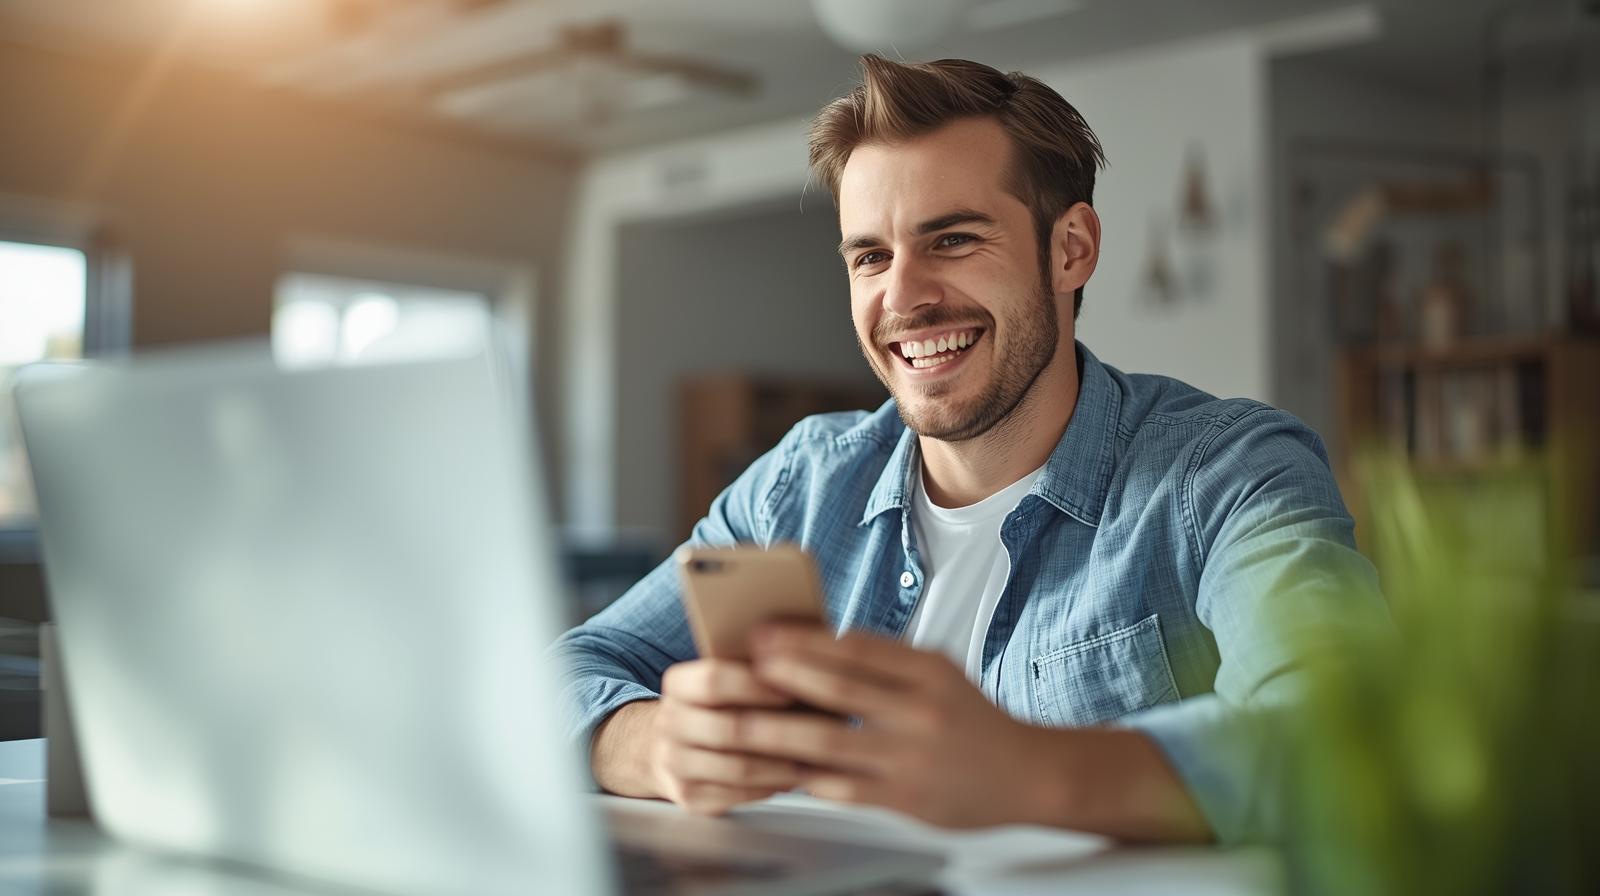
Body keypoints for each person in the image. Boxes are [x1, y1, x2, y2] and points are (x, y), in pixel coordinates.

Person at [552, 55, 1383, 844]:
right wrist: (654, 743)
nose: (902, 297)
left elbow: (1350, 738)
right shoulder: (798, 486)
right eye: (871, 256)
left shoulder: (1229, 474)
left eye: (952, 240)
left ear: (1071, 250)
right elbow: (567, 670)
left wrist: (1033, 772)